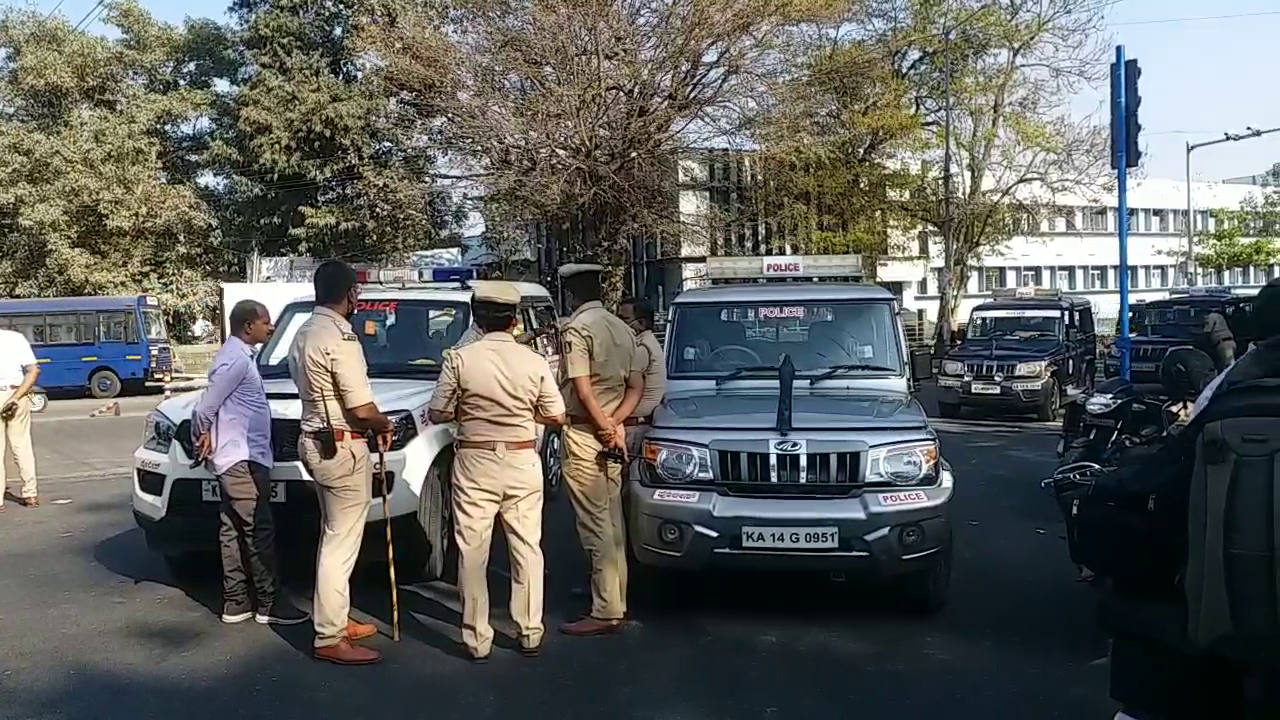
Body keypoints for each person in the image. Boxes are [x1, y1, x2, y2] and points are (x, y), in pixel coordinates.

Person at [426, 281, 566, 662]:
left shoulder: (459, 358)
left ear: (477, 318)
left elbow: (437, 412)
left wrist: (467, 412)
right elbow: (556, 414)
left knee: (472, 551)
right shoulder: (533, 361)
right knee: (526, 547)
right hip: (522, 460)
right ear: (515, 320)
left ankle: (477, 638)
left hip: (475, 460)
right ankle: (530, 630)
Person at [289, 260, 396, 665]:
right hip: (342, 445)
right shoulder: (341, 337)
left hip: (314, 440)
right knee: (341, 542)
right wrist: (384, 423)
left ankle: (334, 617)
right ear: (351, 294)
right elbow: (361, 406)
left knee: (333, 534)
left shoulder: (303, 331)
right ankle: (329, 635)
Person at [193, 300, 308, 626]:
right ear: (248, 326)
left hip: (238, 456)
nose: (270, 327)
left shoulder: (239, 357)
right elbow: (205, 408)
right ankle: (270, 603)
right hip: (241, 459)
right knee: (259, 528)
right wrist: (202, 434)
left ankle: (236, 602)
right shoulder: (236, 362)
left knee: (232, 528)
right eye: (266, 322)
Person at [557, 263, 646, 637]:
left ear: (571, 293)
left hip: (585, 432)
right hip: (614, 431)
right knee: (613, 521)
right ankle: (616, 601)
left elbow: (581, 388)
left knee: (594, 523)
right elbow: (635, 386)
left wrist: (600, 426)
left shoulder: (578, 329)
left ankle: (605, 609)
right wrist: (614, 425)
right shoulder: (623, 329)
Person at [617, 297, 665, 456]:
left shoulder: (642, 349)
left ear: (642, 323)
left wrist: (612, 422)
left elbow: (633, 388)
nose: (619, 324)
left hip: (635, 428)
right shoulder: (647, 343)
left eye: (624, 319)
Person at [0, 325, 40, 509]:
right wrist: (16, 398)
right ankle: (30, 494)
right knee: (22, 445)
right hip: (17, 394)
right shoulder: (16, 338)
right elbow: (33, 370)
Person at [1197, 307, 1236, 373]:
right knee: (1225, 365)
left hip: (1225, 345)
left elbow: (1207, 330)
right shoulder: (1220, 316)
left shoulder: (1211, 317)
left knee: (1229, 366)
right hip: (1230, 343)